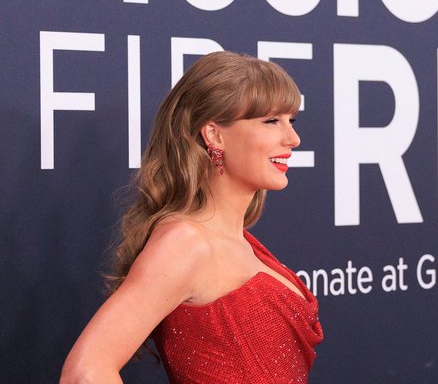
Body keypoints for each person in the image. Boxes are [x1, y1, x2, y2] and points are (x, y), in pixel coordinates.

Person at [61, 51, 323, 383]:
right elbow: (85, 371)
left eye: (291, 121)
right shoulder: (186, 243)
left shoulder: (241, 241)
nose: (293, 139)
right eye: (271, 121)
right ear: (214, 135)